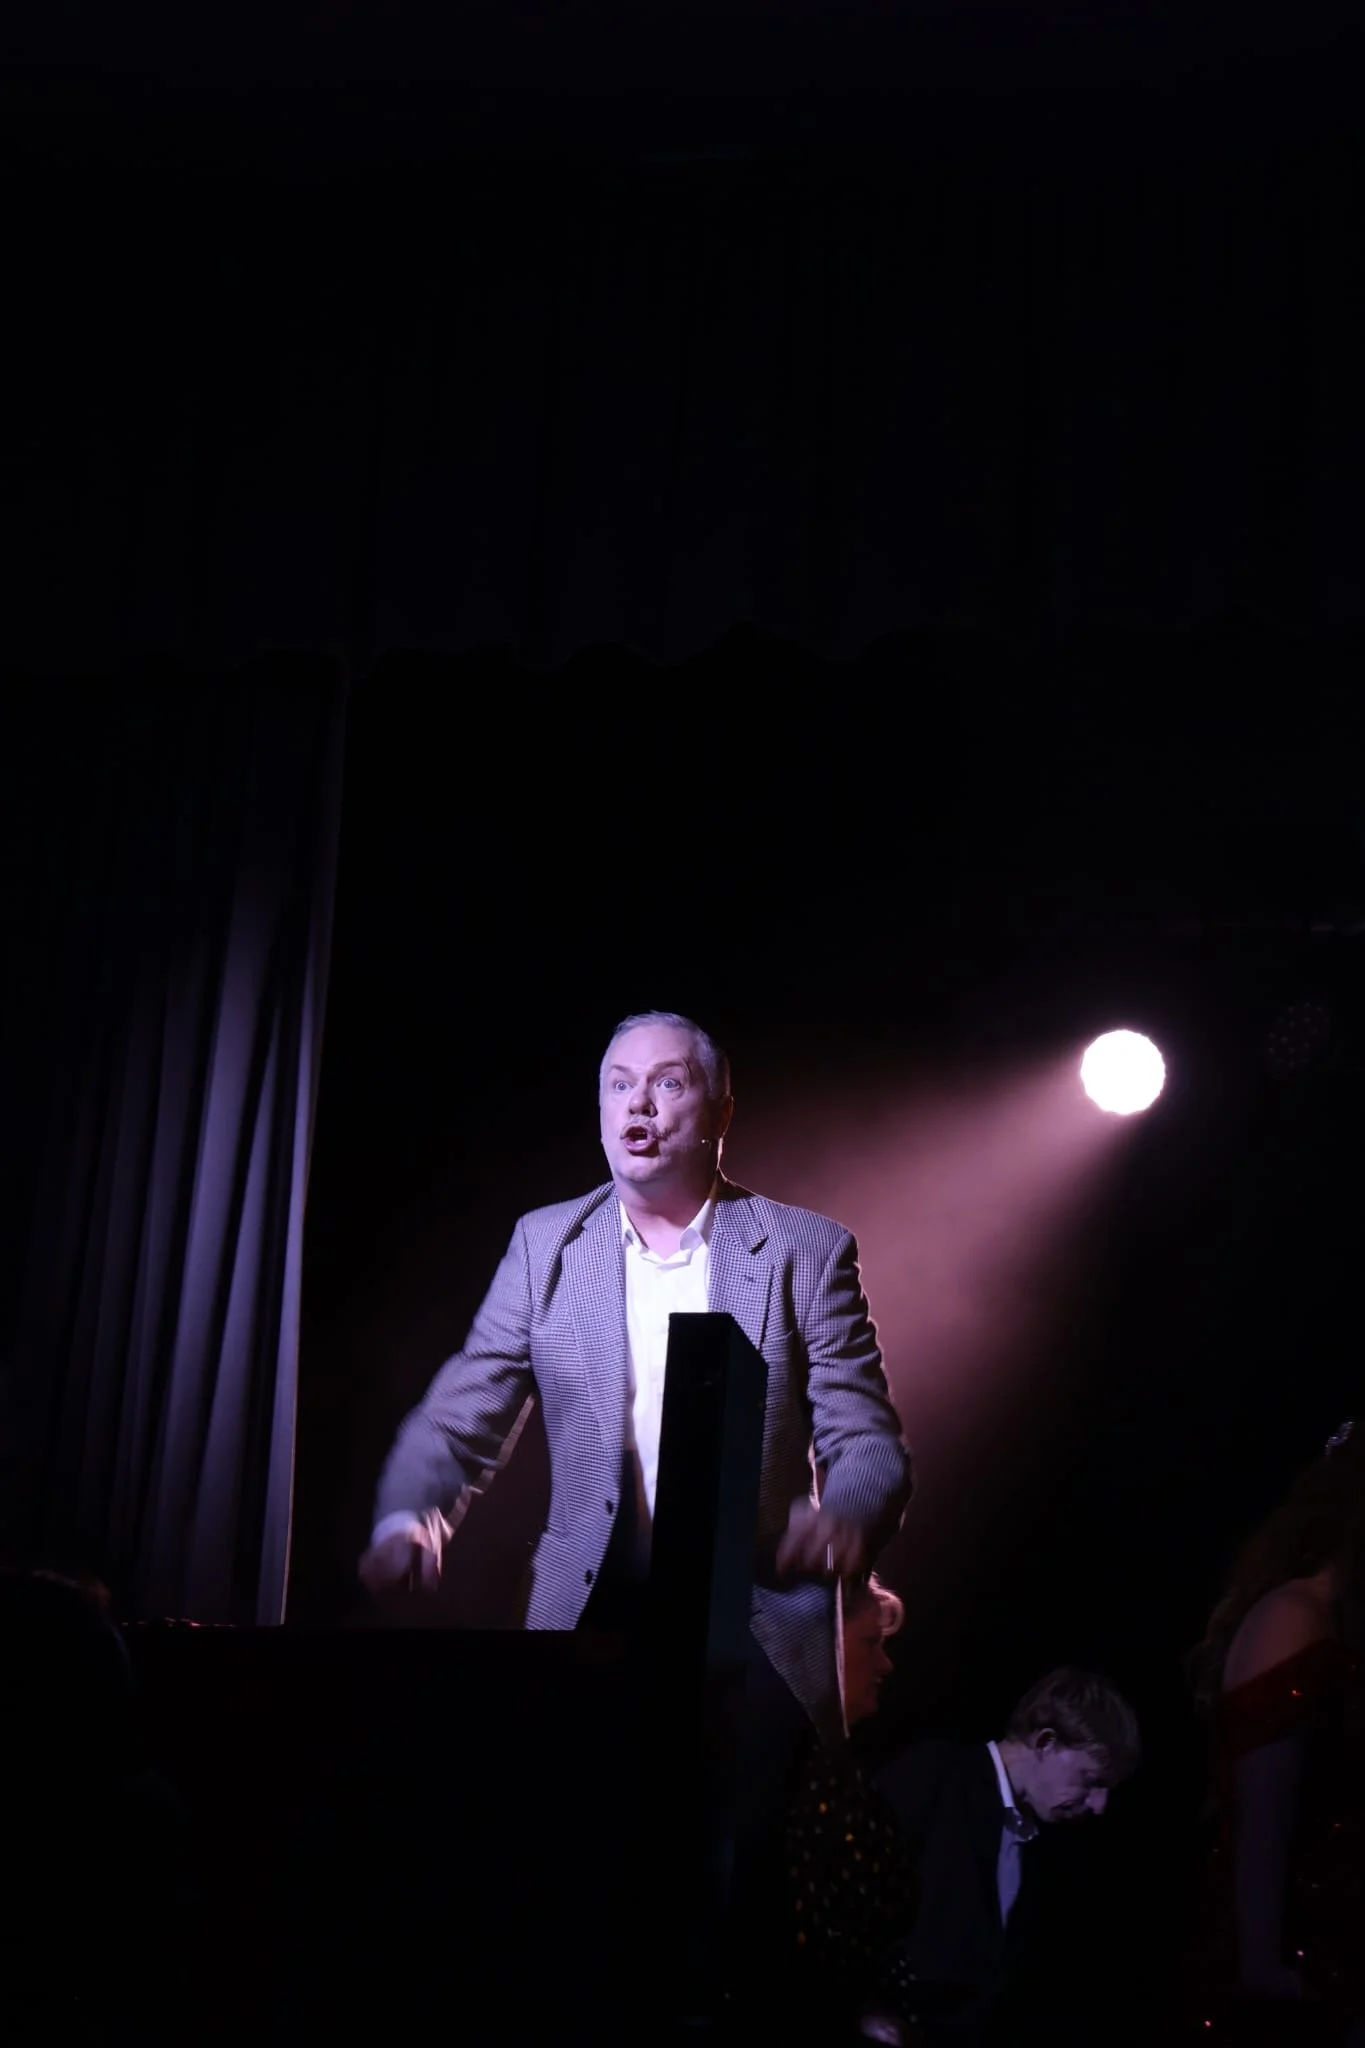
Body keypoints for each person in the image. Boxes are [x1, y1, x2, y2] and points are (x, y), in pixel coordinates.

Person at [359, 1009, 912, 1744]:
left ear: (720, 1112)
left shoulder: (804, 1251)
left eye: (666, 1083)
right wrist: (411, 1516)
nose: (638, 1104)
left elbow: (867, 1437)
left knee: (736, 1850)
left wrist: (846, 1516)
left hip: (754, 1620)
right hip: (591, 1616)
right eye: (618, 1086)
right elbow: (461, 1413)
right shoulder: (544, 1244)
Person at [1183, 1415, 1365, 2047]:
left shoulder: (1337, 1628)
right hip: (1294, 1975)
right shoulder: (1295, 1616)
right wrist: (1265, 1966)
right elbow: (1262, 1812)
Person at [862, 1665, 1141, 2045]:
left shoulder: (1043, 1843)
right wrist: (866, 2012)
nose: (1100, 1804)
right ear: (1045, 1742)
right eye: (1091, 1780)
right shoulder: (935, 1776)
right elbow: (843, 1900)